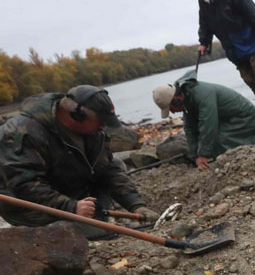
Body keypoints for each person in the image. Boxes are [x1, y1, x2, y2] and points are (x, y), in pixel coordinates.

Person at [0, 85, 158, 236]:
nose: (103, 126)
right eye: (100, 121)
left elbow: (109, 168)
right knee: (100, 234)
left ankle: (93, 216)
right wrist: (70, 207)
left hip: (69, 191)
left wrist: (136, 205)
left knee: (117, 163)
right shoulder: (23, 132)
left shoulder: (94, 132)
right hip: (27, 204)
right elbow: (23, 185)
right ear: (77, 115)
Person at [152, 70, 255, 169]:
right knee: (209, 143)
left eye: (171, 108)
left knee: (217, 140)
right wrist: (195, 156)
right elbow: (190, 129)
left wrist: (203, 154)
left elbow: (208, 125)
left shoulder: (202, 94)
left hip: (244, 118)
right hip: (226, 119)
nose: (172, 112)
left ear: (176, 99)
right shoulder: (187, 98)